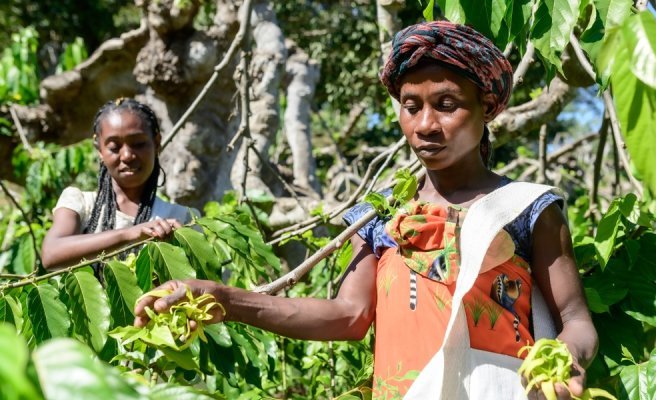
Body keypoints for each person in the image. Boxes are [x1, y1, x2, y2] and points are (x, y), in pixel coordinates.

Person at [134, 21, 597, 399]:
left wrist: (563, 360)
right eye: (410, 106)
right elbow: (349, 317)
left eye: (448, 105)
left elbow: (575, 320)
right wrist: (223, 299)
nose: (425, 125)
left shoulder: (527, 208)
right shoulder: (379, 216)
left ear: (487, 108)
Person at [42, 98, 197, 279]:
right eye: (114, 147)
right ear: (99, 150)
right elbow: (51, 254)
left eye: (138, 144)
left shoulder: (179, 218)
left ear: (156, 143)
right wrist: (130, 234)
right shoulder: (80, 204)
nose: (128, 155)